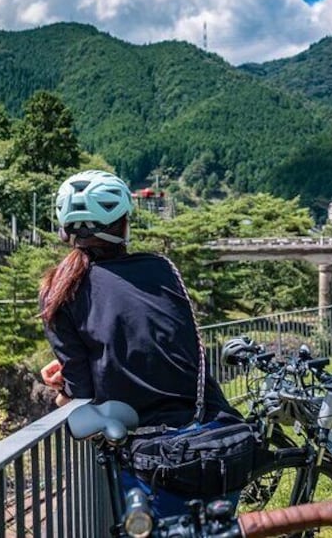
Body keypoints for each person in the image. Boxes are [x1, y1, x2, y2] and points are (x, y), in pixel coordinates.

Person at [38, 169, 241, 517]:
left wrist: (63, 390)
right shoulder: (162, 268)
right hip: (216, 447)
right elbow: (170, 347)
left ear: (65, 231)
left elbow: (82, 394)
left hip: (151, 466)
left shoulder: (60, 291)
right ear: (124, 225)